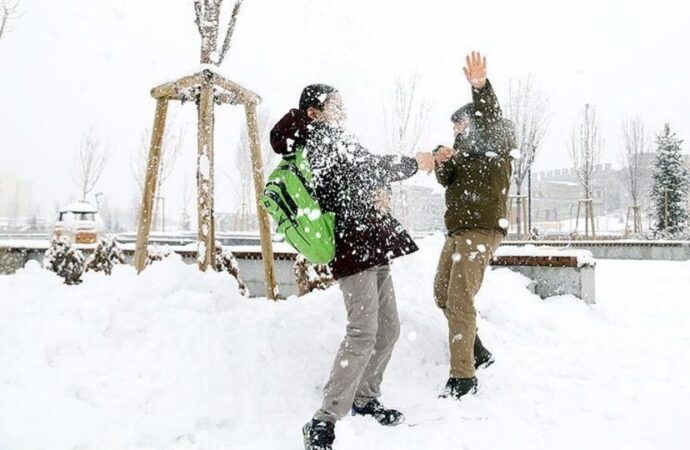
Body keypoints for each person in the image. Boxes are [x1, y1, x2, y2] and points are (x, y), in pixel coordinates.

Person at [269, 84, 448, 450]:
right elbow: (366, 168)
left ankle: (365, 398)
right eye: (335, 104)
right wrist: (417, 163)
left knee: (389, 329)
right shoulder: (319, 140)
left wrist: (381, 193)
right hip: (352, 248)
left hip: (373, 243)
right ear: (315, 112)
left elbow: (364, 176)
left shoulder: (337, 138)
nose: (343, 109)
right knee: (363, 332)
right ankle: (324, 419)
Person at [432, 52, 515, 400]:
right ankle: (477, 349)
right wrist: (441, 158)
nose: (456, 130)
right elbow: (445, 179)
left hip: (481, 230)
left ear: (474, 121)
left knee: (460, 299)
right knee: (442, 293)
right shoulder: (462, 152)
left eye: (460, 124)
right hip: (458, 232)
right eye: (453, 127)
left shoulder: (495, 138)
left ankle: (463, 377)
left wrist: (480, 87)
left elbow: (490, 116)